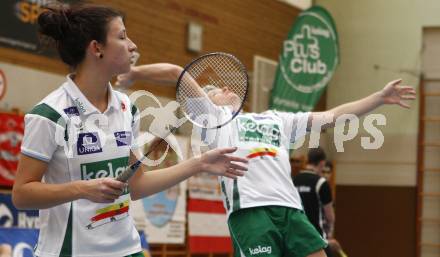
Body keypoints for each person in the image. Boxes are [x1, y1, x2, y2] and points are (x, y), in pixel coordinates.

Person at [117, 44, 416, 257]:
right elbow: (174, 72)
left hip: (292, 212)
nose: (225, 89)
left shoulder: (277, 120)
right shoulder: (213, 120)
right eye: (217, 90)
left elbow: (334, 116)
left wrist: (379, 97)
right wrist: (133, 74)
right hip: (251, 214)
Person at [11, 3, 248, 257]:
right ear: (96, 48)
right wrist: (83, 189)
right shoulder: (50, 114)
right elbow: (22, 194)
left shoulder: (127, 108)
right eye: (122, 36)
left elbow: (137, 185)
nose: (133, 45)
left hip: (128, 250)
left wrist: (198, 164)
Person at [293, 147, 335, 257]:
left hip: (296, 239)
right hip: (316, 239)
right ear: (322, 163)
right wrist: (329, 234)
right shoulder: (321, 183)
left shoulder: (293, 181)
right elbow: (330, 216)